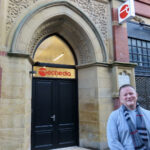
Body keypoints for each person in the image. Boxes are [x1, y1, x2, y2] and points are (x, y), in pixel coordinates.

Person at [107, 84, 150, 150]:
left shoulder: (148, 114)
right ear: (120, 99)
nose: (129, 96)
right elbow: (113, 142)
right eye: (125, 95)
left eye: (131, 93)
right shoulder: (114, 116)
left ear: (136, 95)